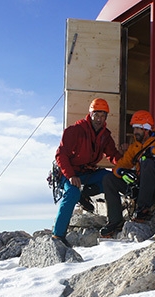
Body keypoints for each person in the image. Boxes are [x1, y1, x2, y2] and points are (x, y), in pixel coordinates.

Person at [52, 98, 122, 246]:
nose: (99, 119)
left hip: (88, 173)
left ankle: (113, 221)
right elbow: (61, 155)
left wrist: (125, 166)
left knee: (110, 180)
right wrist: (71, 175)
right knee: (72, 193)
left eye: (103, 116)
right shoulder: (74, 131)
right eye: (97, 115)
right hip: (69, 173)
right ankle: (58, 236)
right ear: (90, 114)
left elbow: (113, 155)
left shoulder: (105, 136)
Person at [101, 110, 155, 237]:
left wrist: (154, 152)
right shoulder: (135, 147)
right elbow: (122, 164)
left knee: (147, 162)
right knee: (109, 179)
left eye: (138, 128)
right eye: (134, 128)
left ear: (146, 129)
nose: (135, 132)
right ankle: (115, 221)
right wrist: (121, 171)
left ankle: (143, 209)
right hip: (141, 188)